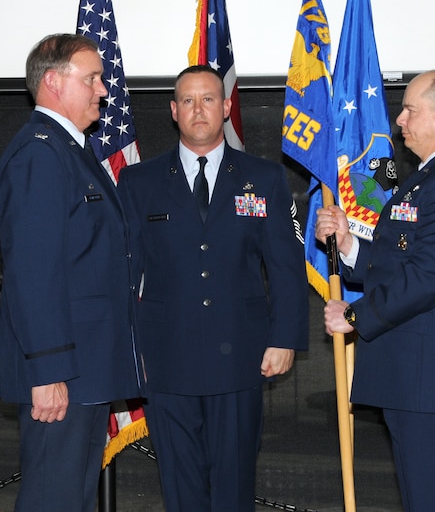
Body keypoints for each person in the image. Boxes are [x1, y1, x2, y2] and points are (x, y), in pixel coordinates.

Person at [118, 64, 308, 512]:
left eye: (207, 99)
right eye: (187, 100)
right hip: (166, 357)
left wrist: (285, 338)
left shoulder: (263, 178)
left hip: (241, 356)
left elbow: (284, 266)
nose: (198, 109)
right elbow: (125, 272)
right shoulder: (139, 182)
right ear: (173, 111)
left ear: (225, 107)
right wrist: (127, 347)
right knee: (180, 488)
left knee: (234, 484)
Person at [316, 69, 435, 512]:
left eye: (410, 110)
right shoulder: (430, 178)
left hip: (433, 379)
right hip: (414, 377)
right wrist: (348, 244)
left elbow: (429, 275)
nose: (400, 120)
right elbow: (399, 260)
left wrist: (356, 315)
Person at [0, 34, 139, 512]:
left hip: (85, 367)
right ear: (52, 82)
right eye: (92, 78)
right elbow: (34, 272)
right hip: (64, 372)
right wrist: (48, 370)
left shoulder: (68, 150)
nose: (103, 90)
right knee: (52, 499)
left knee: (70, 498)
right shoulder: (40, 154)